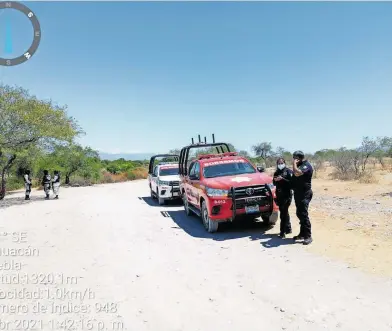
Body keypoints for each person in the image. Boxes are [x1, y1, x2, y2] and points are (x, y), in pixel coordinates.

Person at [291, 151, 314, 245]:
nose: (294, 159)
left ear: (299, 158)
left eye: (295, 158)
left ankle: (308, 236)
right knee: (299, 213)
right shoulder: (299, 165)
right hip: (298, 193)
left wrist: (293, 164)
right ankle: (302, 233)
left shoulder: (306, 165)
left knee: (303, 214)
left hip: (305, 193)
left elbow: (297, 173)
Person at [273, 158, 293, 238]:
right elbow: (274, 183)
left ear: (284, 163)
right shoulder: (276, 172)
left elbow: (291, 183)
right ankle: (288, 228)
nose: (280, 164)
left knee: (283, 213)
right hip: (279, 195)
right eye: (279, 163)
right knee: (284, 211)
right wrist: (276, 180)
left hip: (287, 195)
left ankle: (282, 231)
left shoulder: (288, 171)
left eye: (282, 163)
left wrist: (283, 179)